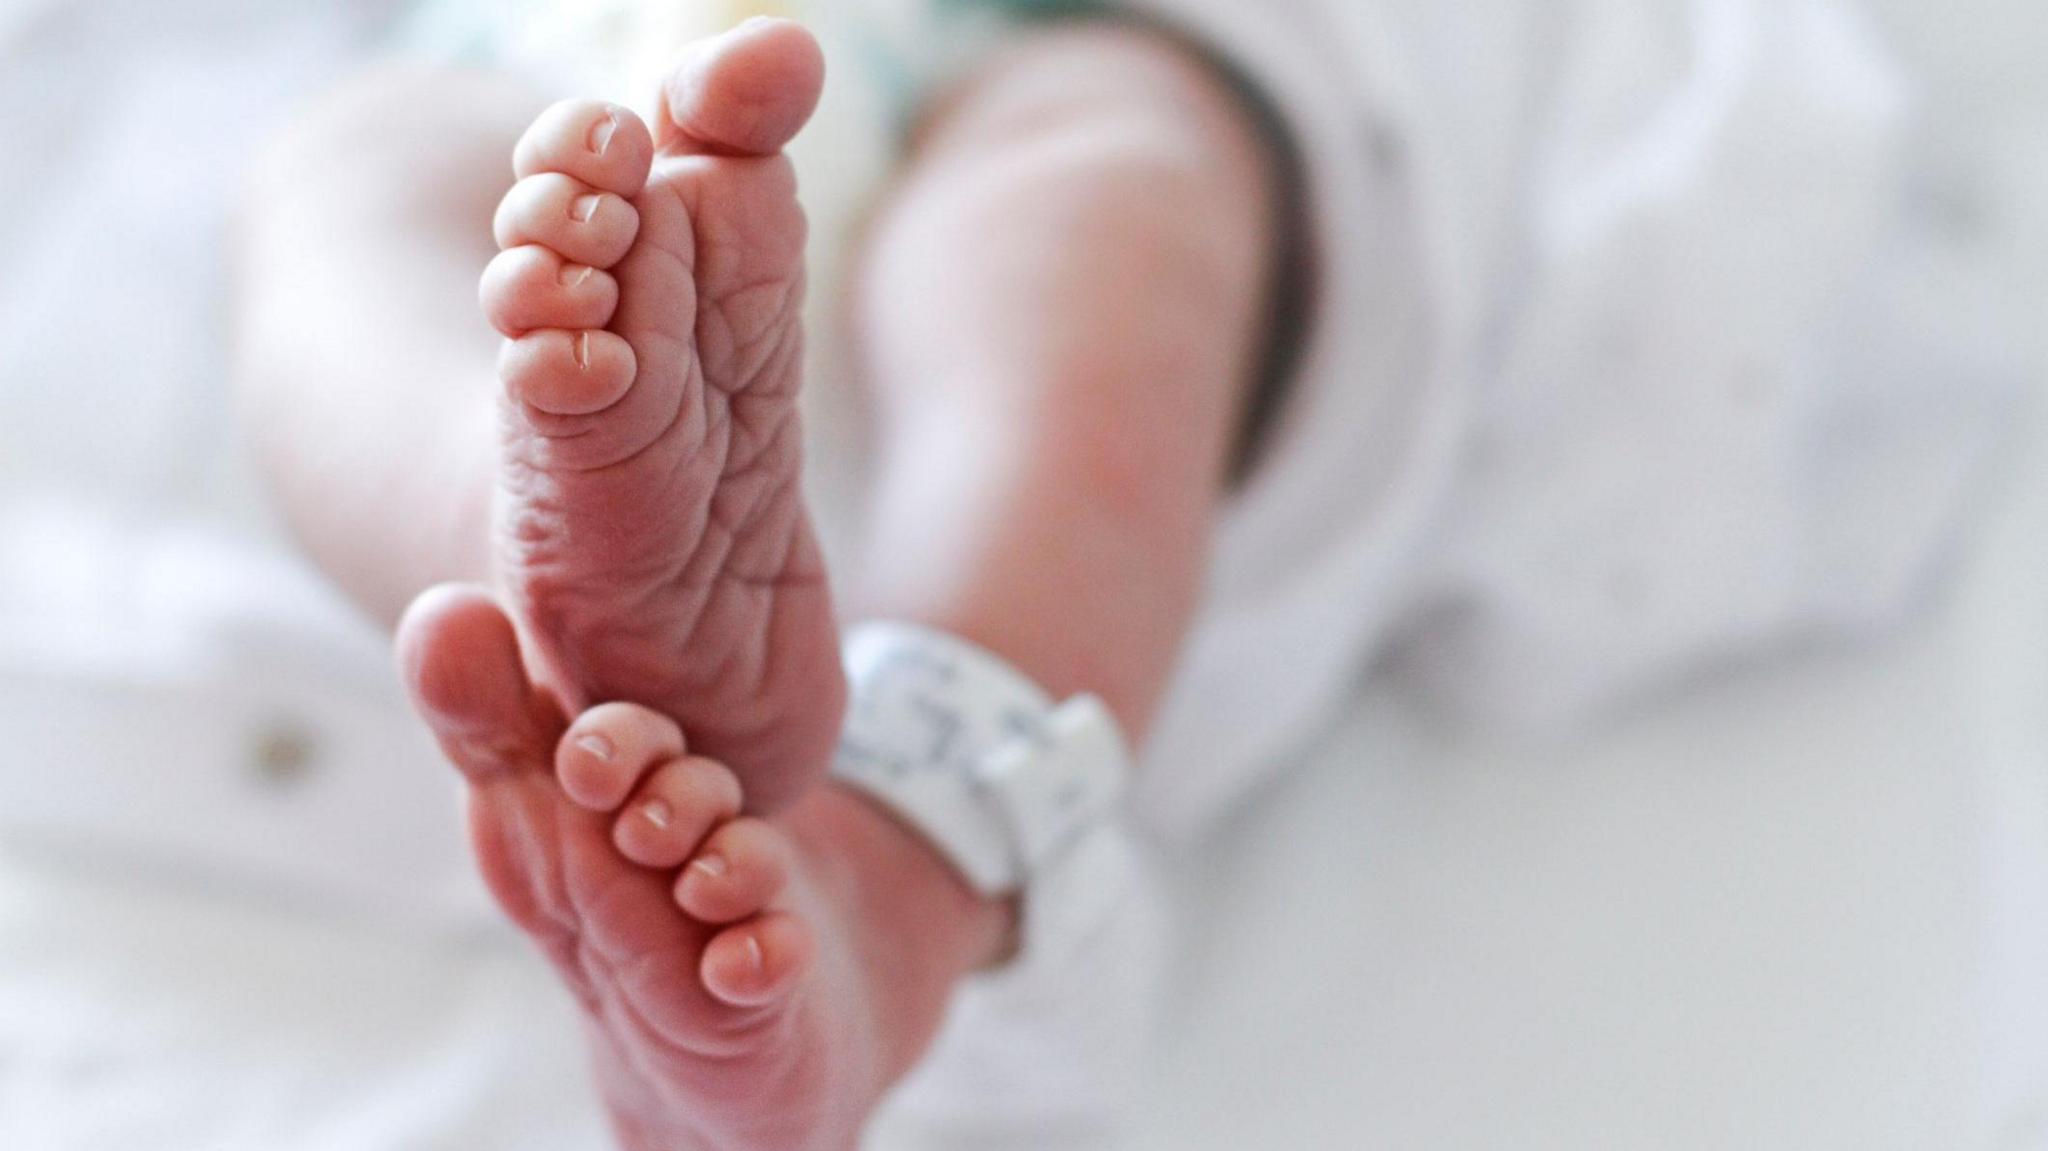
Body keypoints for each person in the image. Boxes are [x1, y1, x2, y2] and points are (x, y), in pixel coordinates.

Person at [231, 1, 2018, 1147]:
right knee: (343, 191)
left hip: (1078, 52)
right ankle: (549, 532)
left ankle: (882, 838)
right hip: (564, 82)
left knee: (1104, 190)